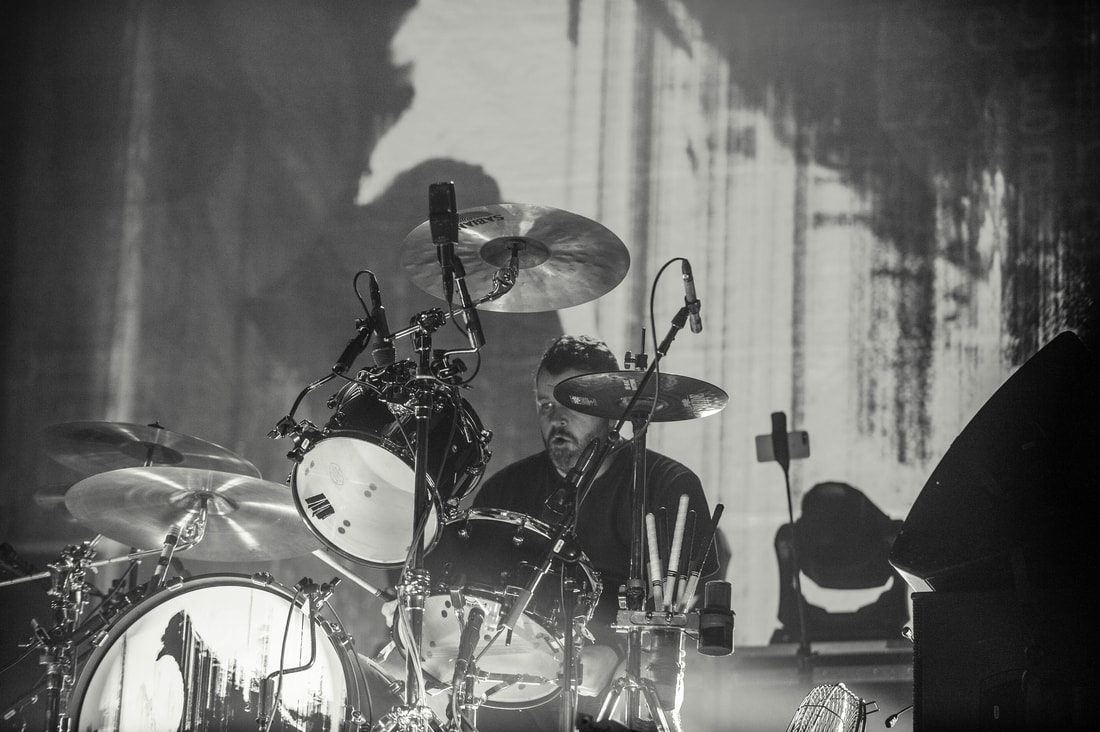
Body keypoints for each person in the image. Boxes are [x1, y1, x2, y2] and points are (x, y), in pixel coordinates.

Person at [467, 335, 720, 732]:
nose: (556, 418)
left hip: (621, 682)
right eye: (545, 404)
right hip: (512, 686)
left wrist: (621, 651)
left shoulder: (669, 486)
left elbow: (682, 609)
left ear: (613, 408)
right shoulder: (504, 492)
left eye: (572, 403)